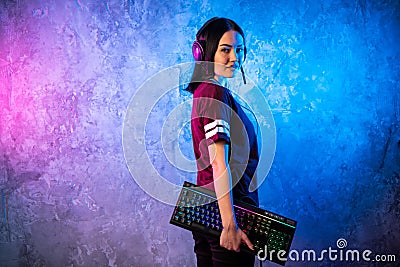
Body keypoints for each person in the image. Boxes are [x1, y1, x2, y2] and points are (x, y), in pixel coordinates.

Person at [185, 17, 260, 267]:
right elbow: (219, 164)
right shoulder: (213, 91)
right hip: (225, 213)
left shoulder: (204, 91)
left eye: (239, 50)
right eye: (225, 50)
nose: (235, 58)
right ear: (205, 53)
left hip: (205, 209)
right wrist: (229, 224)